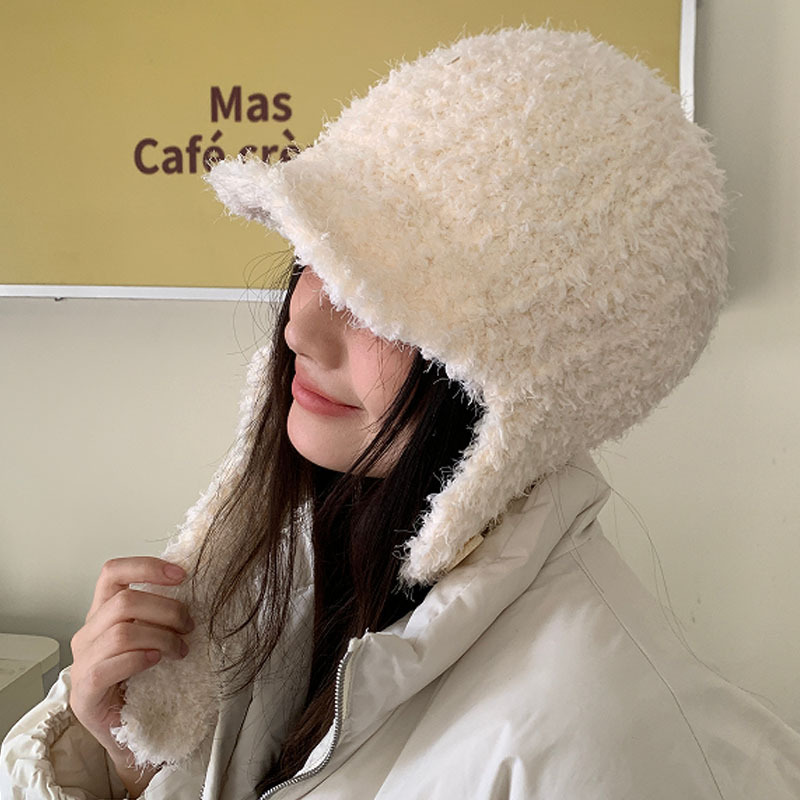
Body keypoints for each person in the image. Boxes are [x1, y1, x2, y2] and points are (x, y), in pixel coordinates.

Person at [2, 24, 800, 800]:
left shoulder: (602, 748)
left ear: (516, 388)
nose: (299, 326)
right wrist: (129, 766)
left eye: (375, 300)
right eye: (312, 254)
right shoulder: (296, 563)